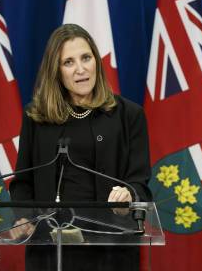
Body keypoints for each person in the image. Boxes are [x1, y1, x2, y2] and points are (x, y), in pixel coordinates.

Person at [9, 24, 151, 271]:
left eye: (86, 58)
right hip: (52, 252)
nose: (81, 69)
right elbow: (23, 182)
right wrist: (23, 217)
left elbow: (140, 185)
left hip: (112, 252)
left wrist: (127, 199)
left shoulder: (129, 115)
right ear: (57, 71)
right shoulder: (36, 118)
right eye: (68, 62)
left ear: (96, 61)